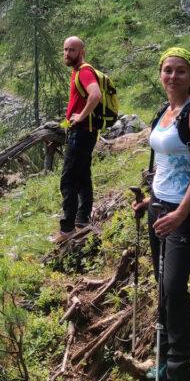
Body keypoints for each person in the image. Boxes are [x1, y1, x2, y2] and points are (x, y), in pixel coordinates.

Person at [132, 46, 190, 381]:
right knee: (163, 288)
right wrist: (151, 201)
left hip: (184, 213)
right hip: (160, 208)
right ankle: (164, 361)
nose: (173, 76)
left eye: (180, 70)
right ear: (160, 74)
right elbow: (166, 164)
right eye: (167, 70)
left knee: (176, 289)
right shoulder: (162, 114)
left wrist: (181, 212)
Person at [58, 36, 102, 239]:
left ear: (81, 51)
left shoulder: (84, 71)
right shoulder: (77, 72)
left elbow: (96, 95)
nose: (67, 54)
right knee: (83, 176)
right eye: (66, 50)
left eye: (72, 50)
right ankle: (82, 219)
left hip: (82, 133)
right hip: (83, 131)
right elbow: (79, 102)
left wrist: (81, 117)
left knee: (68, 180)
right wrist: (67, 123)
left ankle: (67, 230)